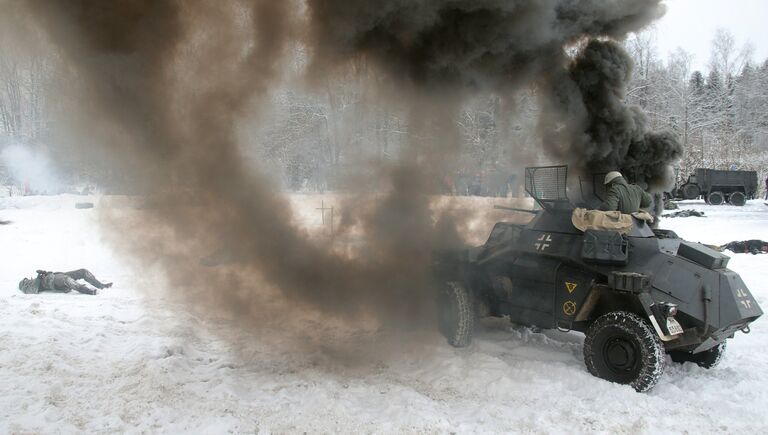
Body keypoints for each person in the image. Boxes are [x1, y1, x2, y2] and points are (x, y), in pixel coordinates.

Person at [18, 269, 112, 295]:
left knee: (83, 271)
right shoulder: (26, 288)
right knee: (67, 280)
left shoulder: (33, 281)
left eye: (28, 279)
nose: (28, 280)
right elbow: (35, 289)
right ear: (24, 283)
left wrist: (44, 273)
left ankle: (101, 286)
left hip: (57, 275)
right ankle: (87, 291)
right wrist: (39, 278)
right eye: (26, 280)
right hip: (54, 282)